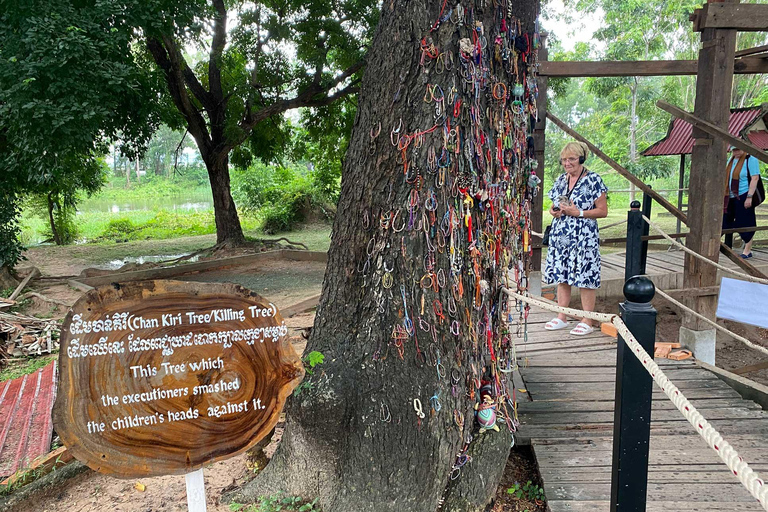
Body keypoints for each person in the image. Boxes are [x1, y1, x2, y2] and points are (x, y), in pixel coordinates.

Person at [543, 141, 608, 336]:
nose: (567, 163)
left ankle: (587, 319)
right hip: (561, 235)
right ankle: (562, 316)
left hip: (583, 236)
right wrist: (553, 211)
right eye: (564, 160)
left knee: (585, 275)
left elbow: (603, 211)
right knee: (562, 274)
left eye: (571, 159)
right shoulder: (561, 180)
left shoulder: (594, 180)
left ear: (581, 158)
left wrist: (578, 212)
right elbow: (553, 205)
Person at [723, 146, 761, 258]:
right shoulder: (730, 160)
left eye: (738, 149)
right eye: (734, 150)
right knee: (726, 220)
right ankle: (727, 246)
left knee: (746, 220)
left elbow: (755, 178)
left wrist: (749, 196)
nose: (736, 152)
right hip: (729, 196)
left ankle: (747, 250)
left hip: (744, 194)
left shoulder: (750, 159)